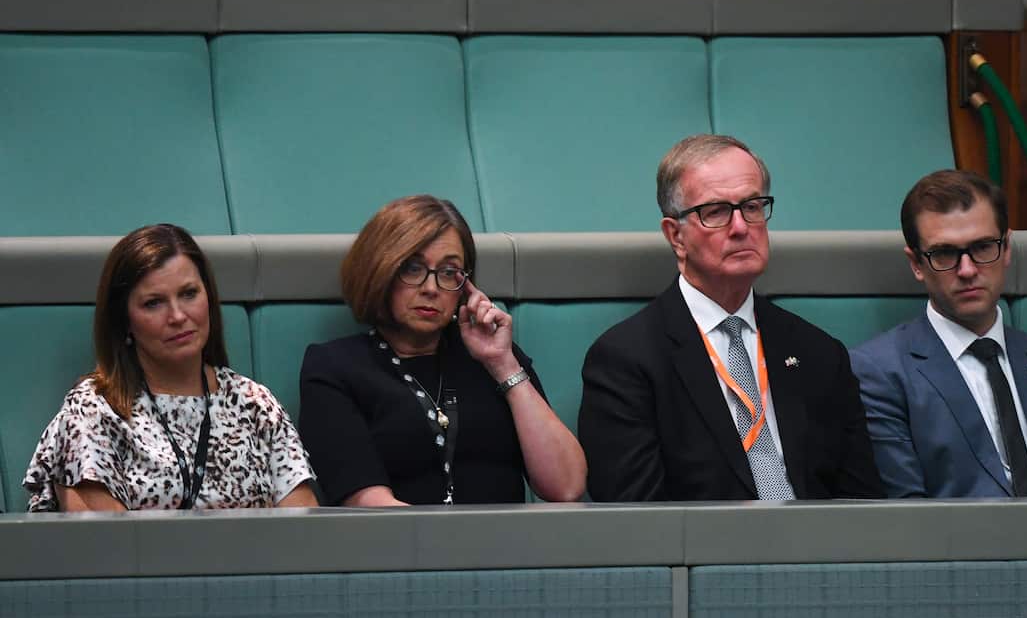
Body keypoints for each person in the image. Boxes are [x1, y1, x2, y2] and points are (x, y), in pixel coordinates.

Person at [578, 134, 882, 501]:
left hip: (817, 552)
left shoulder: (818, 352)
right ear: (676, 236)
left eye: (752, 206)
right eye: (716, 212)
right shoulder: (626, 360)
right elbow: (636, 518)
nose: (740, 227)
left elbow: (862, 502)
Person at [298, 195, 585, 506]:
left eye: (449, 272)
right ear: (378, 272)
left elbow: (566, 486)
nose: (431, 288)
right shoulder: (334, 367)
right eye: (412, 268)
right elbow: (367, 504)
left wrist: (503, 364)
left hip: (512, 548)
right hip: (403, 549)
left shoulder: (494, 358)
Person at [849, 170, 1027, 498]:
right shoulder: (879, 372)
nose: (967, 270)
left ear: (1006, 249)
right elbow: (907, 514)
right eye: (945, 254)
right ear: (916, 264)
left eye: (983, 247)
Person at [24, 224, 317, 511]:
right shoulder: (95, 410)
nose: (178, 316)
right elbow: (105, 546)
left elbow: (304, 534)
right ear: (124, 321)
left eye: (189, 294)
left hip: (260, 560)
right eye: (153, 303)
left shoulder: (255, 404)